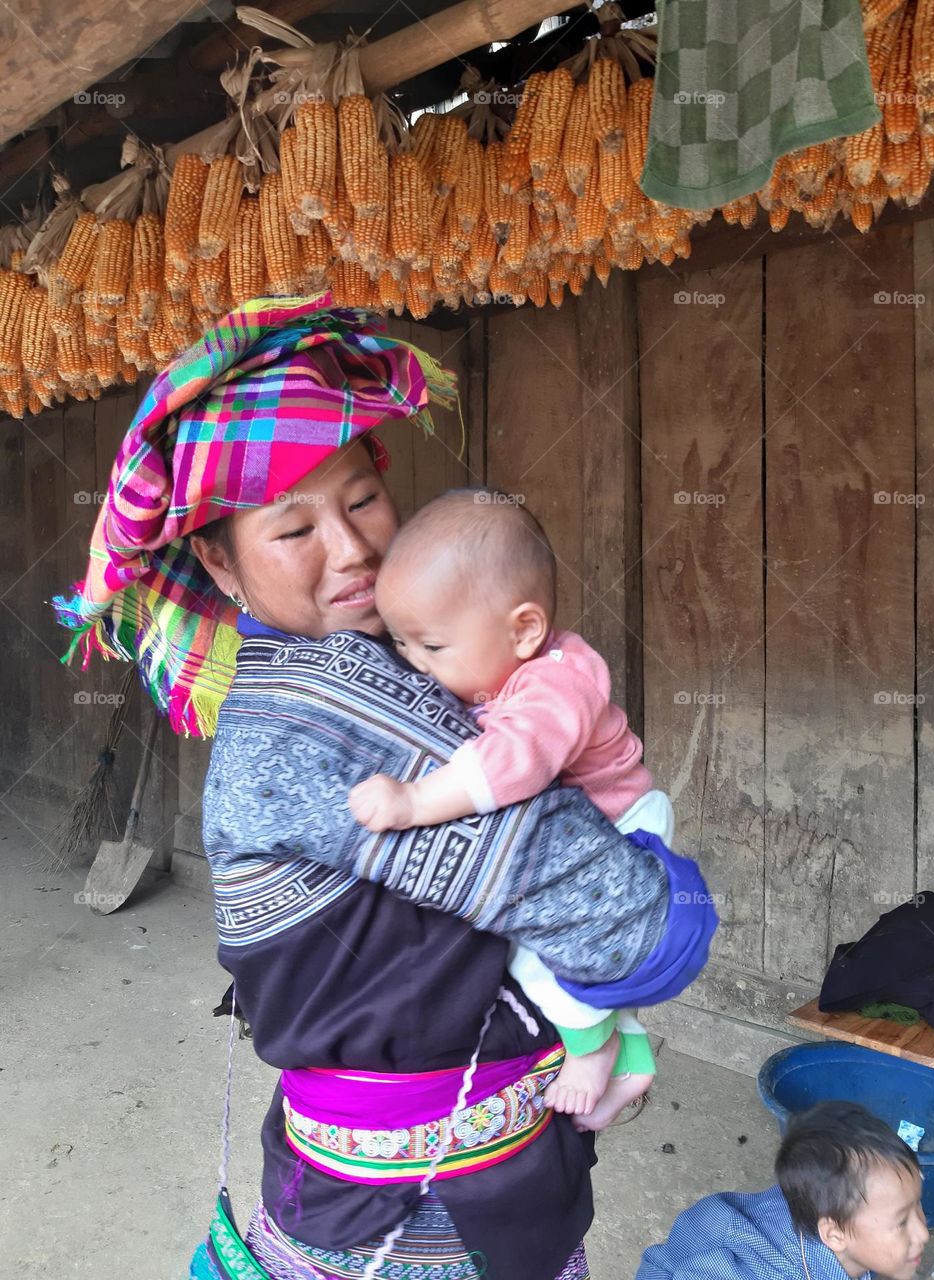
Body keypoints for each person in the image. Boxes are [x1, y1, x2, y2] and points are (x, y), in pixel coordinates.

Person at [51, 294, 707, 1280]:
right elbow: (631, 926)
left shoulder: (369, 664)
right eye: (293, 529)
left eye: (361, 500)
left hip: (444, 1181)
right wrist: (671, 883)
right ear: (220, 565)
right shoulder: (324, 720)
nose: (352, 549)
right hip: (423, 1214)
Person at [347, 489, 679, 1129]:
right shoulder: (502, 668)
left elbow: (513, 761)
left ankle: (593, 1048)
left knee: (536, 947)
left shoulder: (558, 682)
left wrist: (415, 801)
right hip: (598, 830)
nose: (417, 666)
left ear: (524, 629)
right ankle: (632, 1058)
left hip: (622, 828)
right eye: (404, 646)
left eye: (433, 649)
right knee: (591, 955)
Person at [636, 1100, 929, 1280]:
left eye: (918, 1205)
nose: (924, 1233)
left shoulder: (821, 1199)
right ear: (835, 1234)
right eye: (901, 1221)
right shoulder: (773, 1272)